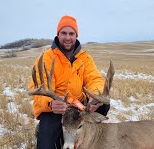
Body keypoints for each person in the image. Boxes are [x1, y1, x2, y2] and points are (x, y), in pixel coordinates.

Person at [29, 15, 110, 149]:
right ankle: (56, 133)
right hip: (55, 110)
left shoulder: (85, 58)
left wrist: (94, 96)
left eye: (71, 33)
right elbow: (38, 89)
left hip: (79, 108)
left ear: (76, 35)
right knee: (45, 146)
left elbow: (94, 78)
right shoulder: (46, 58)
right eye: (64, 33)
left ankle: (86, 135)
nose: (67, 37)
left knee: (104, 104)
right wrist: (51, 103)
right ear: (58, 35)